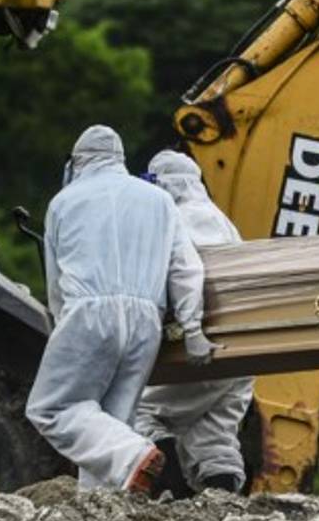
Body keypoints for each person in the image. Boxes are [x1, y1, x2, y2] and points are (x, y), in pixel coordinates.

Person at [25, 126, 219, 495]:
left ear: (78, 160)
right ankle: (102, 505)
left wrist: (62, 327)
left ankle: (133, 456)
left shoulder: (64, 201)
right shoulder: (158, 200)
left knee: (51, 408)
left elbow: (56, 280)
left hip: (89, 312)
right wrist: (193, 328)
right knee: (112, 421)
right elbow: (184, 265)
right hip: (148, 320)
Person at [134, 150, 253, 495]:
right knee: (213, 432)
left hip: (198, 346)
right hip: (240, 352)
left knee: (140, 408)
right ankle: (223, 505)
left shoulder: (181, 219)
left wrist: (187, 329)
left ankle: (171, 488)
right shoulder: (221, 220)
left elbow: (187, 276)